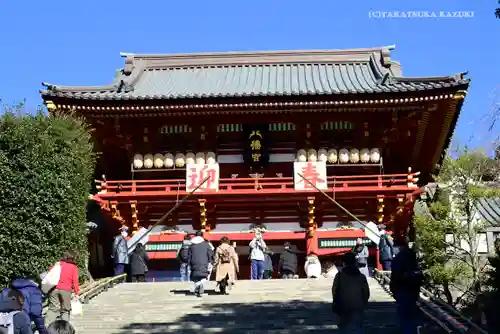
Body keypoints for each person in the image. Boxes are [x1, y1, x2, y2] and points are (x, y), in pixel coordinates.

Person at [390, 238, 423, 334]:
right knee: (411, 315)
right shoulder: (413, 256)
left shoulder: (398, 259)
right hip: (413, 290)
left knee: (404, 316)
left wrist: (393, 290)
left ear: (398, 247)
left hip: (402, 289)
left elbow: (395, 276)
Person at [331, 252, 370, 333]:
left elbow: (334, 291)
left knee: (344, 328)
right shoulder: (361, 276)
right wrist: (363, 303)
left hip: (343, 306)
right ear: (355, 262)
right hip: (358, 306)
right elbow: (366, 293)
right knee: (358, 327)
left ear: (344, 263)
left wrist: (336, 303)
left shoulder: (339, 276)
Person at [46, 252, 80, 325]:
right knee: (65, 310)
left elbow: (49, 273)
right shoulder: (73, 267)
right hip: (66, 290)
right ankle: (64, 328)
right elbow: (75, 282)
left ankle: (47, 327)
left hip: (54, 289)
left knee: (53, 309)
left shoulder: (58, 264)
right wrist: (77, 293)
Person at [188, 231, 214, 297]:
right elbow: (210, 254)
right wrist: (211, 261)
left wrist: (189, 263)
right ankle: (200, 284)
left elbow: (189, 256)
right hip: (204, 262)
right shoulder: (206, 244)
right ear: (202, 236)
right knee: (204, 276)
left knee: (195, 276)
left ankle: (198, 285)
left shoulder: (191, 245)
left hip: (194, 262)